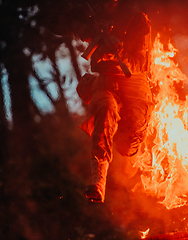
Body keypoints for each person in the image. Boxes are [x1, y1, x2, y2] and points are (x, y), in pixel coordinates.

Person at [49, 1, 154, 203]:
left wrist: (117, 53)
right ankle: (98, 181)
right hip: (106, 78)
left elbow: (140, 63)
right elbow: (54, 22)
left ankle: (135, 151)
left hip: (134, 81)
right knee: (105, 111)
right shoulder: (89, 9)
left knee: (127, 145)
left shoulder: (136, 18)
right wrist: (83, 28)